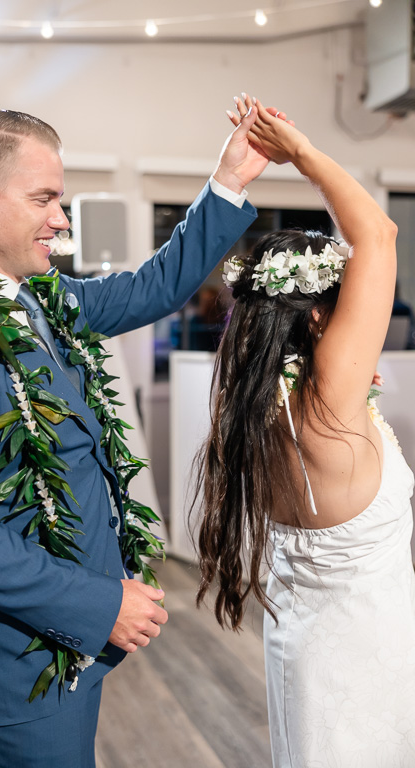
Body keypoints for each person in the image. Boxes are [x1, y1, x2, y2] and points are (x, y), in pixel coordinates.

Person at [0, 95, 283, 767]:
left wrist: (229, 180)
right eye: (45, 198)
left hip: (71, 639)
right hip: (22, 656)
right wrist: (98, 602)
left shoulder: (44, 299)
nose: (60, 219)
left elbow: (154, 286)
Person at [195, 101, 415, 766]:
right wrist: (302, 153)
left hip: (303, 658)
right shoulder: (329, 407)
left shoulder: (253, 406)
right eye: (348, 303)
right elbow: (377, 233)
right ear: (320, 318)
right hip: (365, 663)